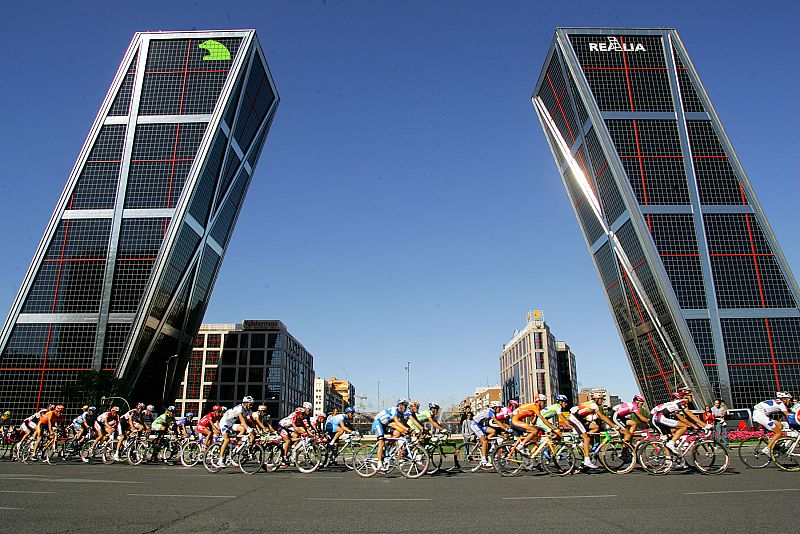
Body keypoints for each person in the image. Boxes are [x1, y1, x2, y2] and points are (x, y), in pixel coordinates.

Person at [568, 389, 622, 469]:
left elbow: (594, 417)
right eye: (601, 399)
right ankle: (587, 460)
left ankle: (584, 443)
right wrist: (614, 426)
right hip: (574, 418)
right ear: (596, 399)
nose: (602, 401)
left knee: (596, 427)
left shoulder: (592, 404)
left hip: (579, 418)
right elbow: (602, 417)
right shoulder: (593, 405)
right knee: (586, 438)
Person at [650, 388, 709, 454]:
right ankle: (671, 444)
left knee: (669, 437)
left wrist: (694, 425)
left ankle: (668, 458)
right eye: (690, 395)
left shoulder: (678, 403)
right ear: (686, 396)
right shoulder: (682, 403)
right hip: (658, 417)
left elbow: (685, 418)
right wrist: (706, 425)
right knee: (683, 426)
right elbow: (691, 416)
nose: (692, 397)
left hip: (657, 416)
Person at [371, 399, 411, 471]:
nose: (406, 408)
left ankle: (386, 446)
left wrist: (411, 430)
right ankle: (379, 464)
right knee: (381, 442)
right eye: (405, 406)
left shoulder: (400, 413)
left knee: (397, 433)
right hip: (377, 423)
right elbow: (397, 423)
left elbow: (404, 424)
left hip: (385, 425)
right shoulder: (394, 410)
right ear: (401, 406)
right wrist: (407, 430)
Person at [469, 400, 505, 469]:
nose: (500, 409)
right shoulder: (490, 412)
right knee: (485, 441)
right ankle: (483, 460)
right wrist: (505, 429)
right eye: (499, 407)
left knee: (493, 431)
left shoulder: (492, 412)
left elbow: (497, 423)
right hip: (475, 424)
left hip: (480, 425)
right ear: (495, 407)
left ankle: (483, 444)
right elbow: (497, 422)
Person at [218, 396, 254, 463]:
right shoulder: (239, 408)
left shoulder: (248, 410)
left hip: (231, 423)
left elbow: (250, 421)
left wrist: (255, 429)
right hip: (224, 422)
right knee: (227, 440)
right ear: (245, 403)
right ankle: (220, 459)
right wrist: (248, 428)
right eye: (250, 404)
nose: (251, 406)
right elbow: (241, 419)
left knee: (242, 429)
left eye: (252, 404)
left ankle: (236, 445)